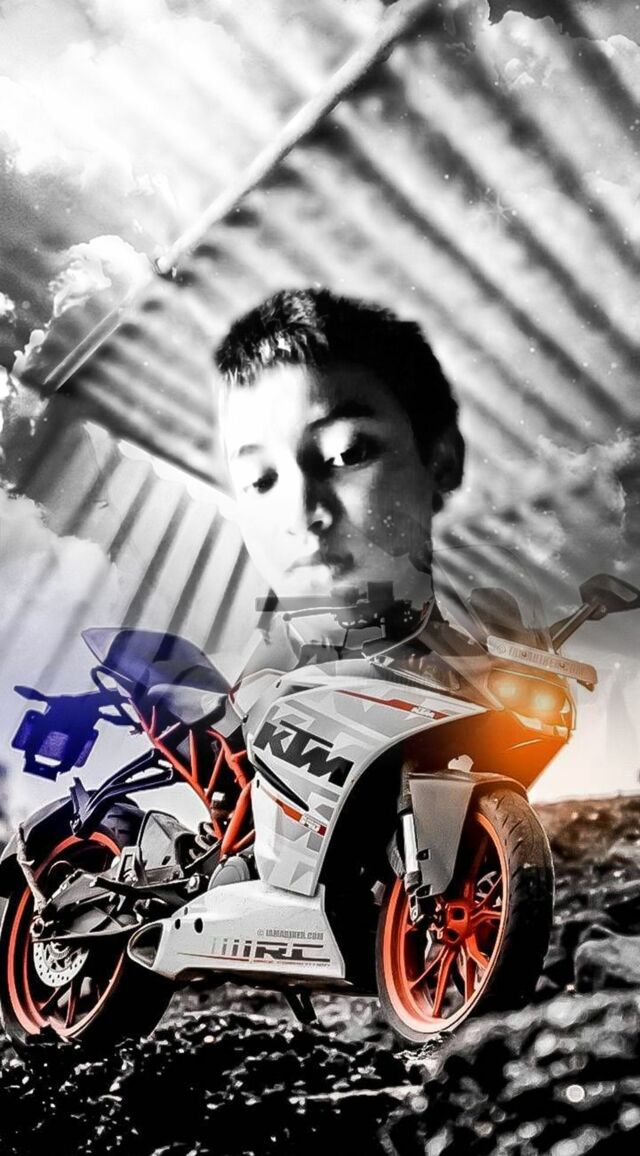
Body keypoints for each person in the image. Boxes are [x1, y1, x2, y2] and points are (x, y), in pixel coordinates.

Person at [214, 287, 466, 672]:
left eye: (345, 454)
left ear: (441, 460)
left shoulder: (519, 669)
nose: (301, 514)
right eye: (260, 480)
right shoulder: (207, 706)